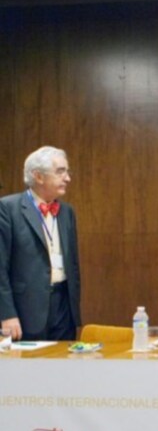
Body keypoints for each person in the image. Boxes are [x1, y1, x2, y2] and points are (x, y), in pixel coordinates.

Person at [0, 146, 81, 341]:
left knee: (63, 367)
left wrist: (74, 312)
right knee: (28, 369)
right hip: (25, 309)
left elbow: (73, 265)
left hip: (63, 307)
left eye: (67, 171)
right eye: (60, 171)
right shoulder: (8, 209)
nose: (67, 178)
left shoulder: (66, 212)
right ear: (38, 176)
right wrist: (7, 314)